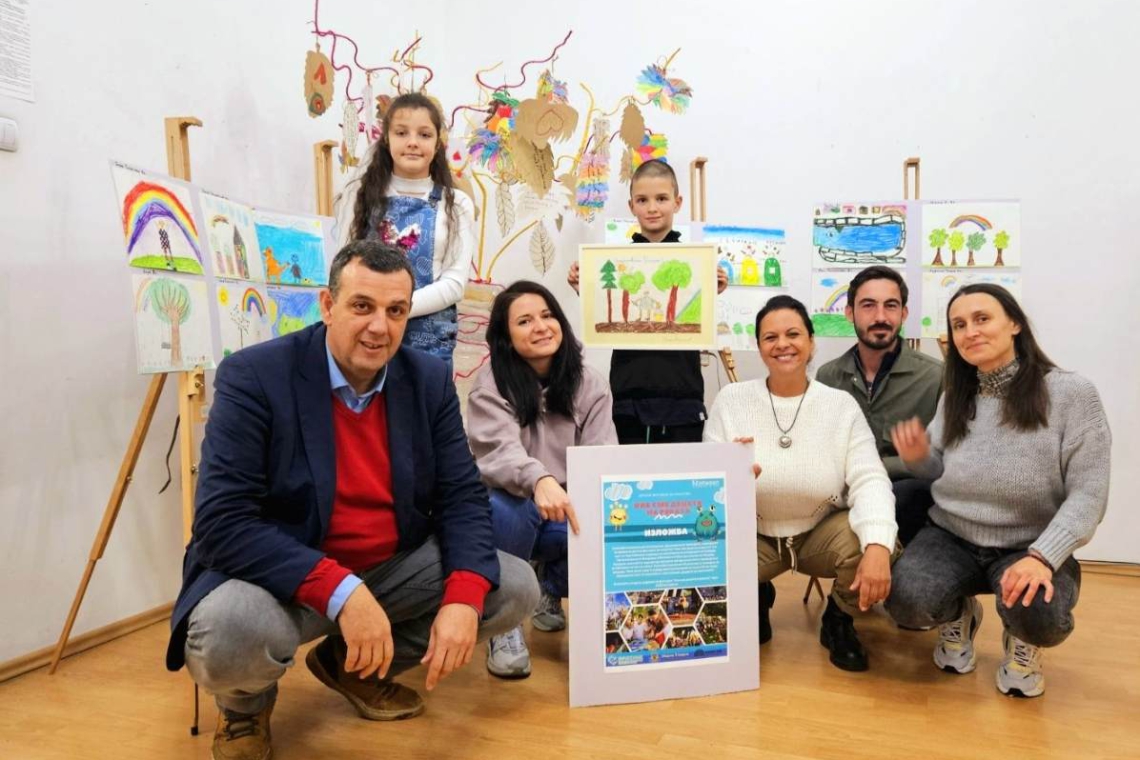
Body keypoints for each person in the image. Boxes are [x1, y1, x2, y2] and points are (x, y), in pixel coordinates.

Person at [168, 241, 538, 760]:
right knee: (228, 634)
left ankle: (352, 664)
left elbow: (461, 495)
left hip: (391, 568)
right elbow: (221, 522)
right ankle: (244, 708)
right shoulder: (254, 376)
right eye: (362, 306)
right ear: (327, 305)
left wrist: (462, 597)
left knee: (512, 587)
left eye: (396, 311)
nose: (379, 327)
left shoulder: (427, 379)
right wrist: (341, 591)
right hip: (283, 576)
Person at [886, 284, 1110, 698]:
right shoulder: (956, 395)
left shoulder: (1072, 393)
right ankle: (959, 615)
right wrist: (918, 457)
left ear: (1015, 324)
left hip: (1029, 544)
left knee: (1041, 615)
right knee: (904, 599)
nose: (969, 332)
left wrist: (1043, 557)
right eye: (958, 325)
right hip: (952, 534)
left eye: (982, 319)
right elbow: (938, 470)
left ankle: (1023, 640)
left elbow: (1089, 493)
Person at [705, 295, 898, 671]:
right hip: (753, 534)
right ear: (759, 346)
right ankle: (756, 595)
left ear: (811, 342)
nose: (782, 344)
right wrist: (732, 477)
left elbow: (870, 478)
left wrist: (878, 545)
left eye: (793, 334)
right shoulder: (731, 401)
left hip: (819, 532)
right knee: (703, 556)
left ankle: (838, 617)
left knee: (873, 542)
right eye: (770, 337)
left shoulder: (840, 406)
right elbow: (705, 484)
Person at [466, 280, 618, 678]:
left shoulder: (590, 383)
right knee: (506, 509)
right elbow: (499, 453)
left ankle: (549, 588)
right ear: (505, 337)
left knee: (604, 524)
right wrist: (540, 480)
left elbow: (602, 456)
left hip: (564, 508)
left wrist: (578, 496)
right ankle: (506, 620)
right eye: (524, 321)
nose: (540, 327)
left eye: (547, 315)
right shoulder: (490, 385)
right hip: (510, 506)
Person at [567, 159, 727, 444]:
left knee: (680, 470)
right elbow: (604, 307)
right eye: (642, 200)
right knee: (629, 468)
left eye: (661, 199)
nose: (652, 208)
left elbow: (696, 312)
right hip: (628, 395)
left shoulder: (696, 262)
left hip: (683, 395)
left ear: (677, 203)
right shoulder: (615, 262)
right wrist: (585, 288)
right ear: (632, 206)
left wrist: (713, 289)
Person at [335, 92, 475, 366]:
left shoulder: (456, 204)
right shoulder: (360, 196)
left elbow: (455, 284)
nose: (412, 142)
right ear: (387, 138)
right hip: (367, 332)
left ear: (437, 143)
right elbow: (342, 268)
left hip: (429, 342)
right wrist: (379, 313)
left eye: (424, 134)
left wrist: (394, 309)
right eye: (401, 132)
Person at [815, 265, 942, 545]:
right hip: (844, 494)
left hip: (908, 503)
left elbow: (947, 460)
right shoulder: (828, 376)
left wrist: (886, 466)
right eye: (868, 305)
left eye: (891, 306)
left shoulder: (936, 376)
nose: (881, 317)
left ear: (904, 314)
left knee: (910, 493)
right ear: (850, 313)